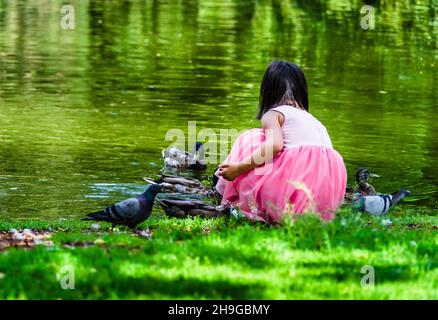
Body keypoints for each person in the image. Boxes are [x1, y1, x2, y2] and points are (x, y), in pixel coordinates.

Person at [215, 61, 347, 223]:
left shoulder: (273, 114)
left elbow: (275, 145)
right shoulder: (314, 121)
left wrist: (240, 168)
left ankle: (236, 197)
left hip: (292, 186)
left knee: (251, 138)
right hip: (325, 193)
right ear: (303, 92)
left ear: (267, 92)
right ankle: (316, 212)